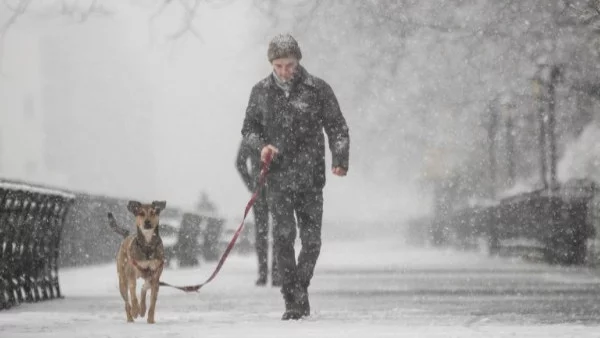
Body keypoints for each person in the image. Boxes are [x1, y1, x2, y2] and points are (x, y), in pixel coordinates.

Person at [240, 33, 350, 320]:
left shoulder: (317, 89)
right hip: (277, 179)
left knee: (312, 241)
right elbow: (248, 130)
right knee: (284, 237)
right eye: (278, 66)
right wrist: (261, 147)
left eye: (288, 65)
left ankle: (299, 286)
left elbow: (337, 126)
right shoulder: (260, 92)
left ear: (298, 62)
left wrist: (340, 160)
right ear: (271, 64)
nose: (284, 72)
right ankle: (292, 300)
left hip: (311, 178)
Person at [235, 139, 280, 287]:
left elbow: (239, 162)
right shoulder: (277, 132)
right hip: (274, 189)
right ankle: (275, 273)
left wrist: (251, 183)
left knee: (262, 232)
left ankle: (263, 274)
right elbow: (239, 162)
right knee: (277, 232)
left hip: (259, 189)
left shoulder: (251, 136)